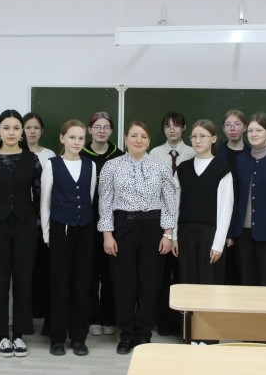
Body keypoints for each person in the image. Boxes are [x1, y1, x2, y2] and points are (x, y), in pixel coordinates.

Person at [98, 121, 177, 355]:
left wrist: (168, 234)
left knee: (149, 282)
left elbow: (170, 202)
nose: (138, 140)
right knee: (124, 283)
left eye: (143, 136)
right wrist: (107, 235)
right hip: (123, 227)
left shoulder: (161, 166)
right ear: (125, 139)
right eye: (134, 135)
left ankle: (143, 333)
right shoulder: (111, 166)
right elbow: (104, 202)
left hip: (153, 228)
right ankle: (126, 334)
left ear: (149, 140)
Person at [0, 109, 42, 358]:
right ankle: (1, 336)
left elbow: (39, 196)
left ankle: (19, 334)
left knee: (23, 281)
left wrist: (33, 222)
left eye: (17, 128)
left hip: (25, 227)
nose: (11, 132)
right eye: (6, 128)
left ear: (22, 132)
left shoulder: (31, 160)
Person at [41, 120, 97, 356]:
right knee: (59, 283)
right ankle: (57, 338)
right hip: (59, 230)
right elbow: (45, 202)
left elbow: (90, 197)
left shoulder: (90, 165)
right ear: (62, 138)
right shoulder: (52, 164)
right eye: (72, 137)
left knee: (81, 284)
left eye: (81, 138)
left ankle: (78, 338)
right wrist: (47, 234)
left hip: (84, 230)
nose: (76, 142)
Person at [228, 113, 266, 286]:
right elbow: (234, 199)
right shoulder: (241, 160)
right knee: (246, 282)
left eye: (259, 130)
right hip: (242, 234)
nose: (254, 134)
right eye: (250, 131)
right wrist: (231, 233)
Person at [149, 111, 196, 336]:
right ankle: (162, 321)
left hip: (185, 220)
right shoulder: (154, 153)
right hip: (159, 221)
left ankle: (180, 322)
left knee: (181, 274)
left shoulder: (193, 152)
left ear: (184, 128)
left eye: (176, 125)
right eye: (167, 125)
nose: (172, 129)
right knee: (159, 274)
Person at [172, 119, 233, 285]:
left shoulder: (222, 169)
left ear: (213, 139)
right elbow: (175, 205)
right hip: (185, 233)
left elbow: (225, 210)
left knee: (209, 282)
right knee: (186, 281)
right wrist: (174, 236)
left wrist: (218, 244)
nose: (197, 140)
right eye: (194, 136)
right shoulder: (182, 168)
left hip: (211, 233)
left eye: (202, 136)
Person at [80, 111, 124, 337]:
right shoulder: (80, 154)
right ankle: (92, 318)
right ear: (89, 130)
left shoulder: (120, 156)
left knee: (111, 271)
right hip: (87, 221)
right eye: (97, 126)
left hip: (114, 223)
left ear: (112, 131)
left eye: (106, 127)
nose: (101, 131)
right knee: (89, 270)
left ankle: (110, 317)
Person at [23, 112, 56, 336]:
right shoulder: (16, 154)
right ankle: (24, 319)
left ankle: (47, 319)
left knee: (46, 272)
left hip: (45, 220)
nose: (32, 131)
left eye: (36, 127)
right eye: (28, 127)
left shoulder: (50, 155)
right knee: (25, 272)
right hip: (23, 220)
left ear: (42, 130)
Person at [216, 109, 251, 286]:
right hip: (220, 216)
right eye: (228, 125)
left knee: (242, 271)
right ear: (223, 129)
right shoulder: (216, 153)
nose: (232, 128)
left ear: (245, 127)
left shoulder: (252, 153)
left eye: (237, 124)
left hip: (244, 218)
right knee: (221, 270)